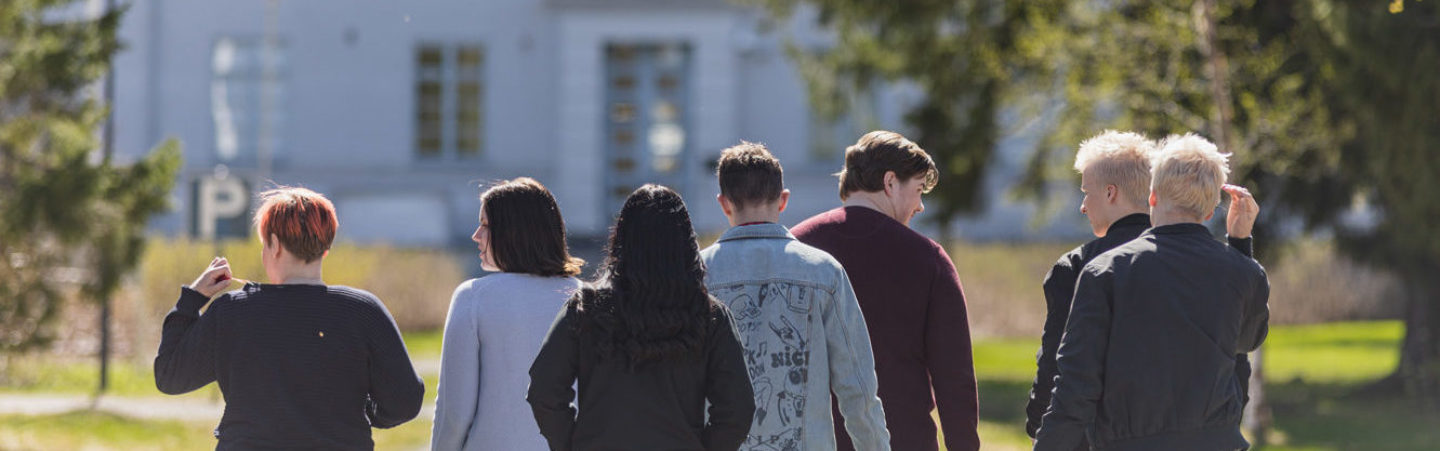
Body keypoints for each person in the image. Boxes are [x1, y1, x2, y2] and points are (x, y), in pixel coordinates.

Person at [1024, 131, 1261, 448]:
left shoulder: (1102, 272)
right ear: (1209, 212)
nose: (1083, 205)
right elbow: (1242, 347)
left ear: (1152, 196)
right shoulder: (1240, 271)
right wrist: (1240, 247)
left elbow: (1075, 385)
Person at [154, 187, 424, 450]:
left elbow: (169, 376)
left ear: (274, 244)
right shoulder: (363, 310)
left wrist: (192, 298)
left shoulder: (233, 312)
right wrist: (358, 411)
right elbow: (405, 400)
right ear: (326, 248)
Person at [527, 184, 755, 450]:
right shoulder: (709, 315)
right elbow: (738, 408)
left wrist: (571, 443)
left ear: (621, 240)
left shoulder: (585, 308)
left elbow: (544, 390)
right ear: (686, 244)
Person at [792, 131, 980, 451]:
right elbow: (954, 376)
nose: (920, 206)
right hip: (904, 439)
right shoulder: (928, 259)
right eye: (918, 190)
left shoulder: (796, 247)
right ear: (890, 182)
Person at [700, 142, 890, 450]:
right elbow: (858, 389)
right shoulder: (824, 272)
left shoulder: (696, 275)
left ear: (723, 203)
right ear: (783, 200)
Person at [431, 178, 586, 451]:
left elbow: (454, 413)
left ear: (515, 231)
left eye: (486, 225)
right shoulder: (587, 298)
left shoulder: (473, 297)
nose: (475, 235)